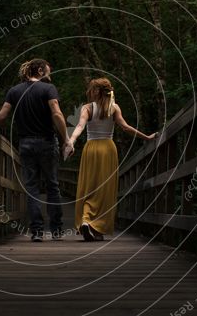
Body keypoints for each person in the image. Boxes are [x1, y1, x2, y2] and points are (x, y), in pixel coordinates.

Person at [0, 59, 73, 242]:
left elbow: (3, 115)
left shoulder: (14, 91)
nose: (49, 75)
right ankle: (56, 230)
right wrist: (66, 140)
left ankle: (36, 231)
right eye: (48, 71)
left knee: (32, 188)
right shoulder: (48, 89)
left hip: (25, 143)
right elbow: (57, 113)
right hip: (46, 142)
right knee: (52, 185)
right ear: (39, 70)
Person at [66, 78, 157, 241]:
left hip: (91, 149)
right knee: (105, 188)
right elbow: (126, 127)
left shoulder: (87, 108)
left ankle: (86, 220)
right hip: (108, 149)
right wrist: (147, 137)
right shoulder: (113, 108)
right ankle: (98, 228)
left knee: (89, 186)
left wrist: (71, 142)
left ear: (94, 91)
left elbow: (79, 126)